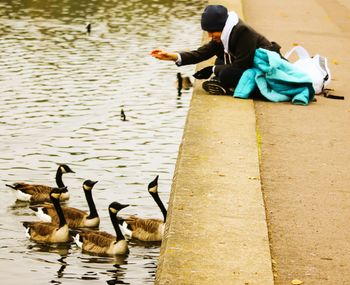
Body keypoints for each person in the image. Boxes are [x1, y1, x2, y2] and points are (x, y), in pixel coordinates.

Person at [151, 4, 282, 95]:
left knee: (225, 73)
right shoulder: (225, 33)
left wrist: (212, 70)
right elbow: (201, 53)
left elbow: (243, 66)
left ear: (222, 27)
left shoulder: (243, 32)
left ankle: (228, 85)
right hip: (248, 64)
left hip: (267, 67)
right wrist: (173, 56)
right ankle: (224, 83)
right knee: (220, 62)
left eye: (212, 31)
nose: (209, 36)